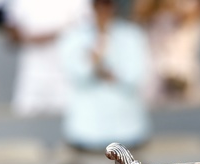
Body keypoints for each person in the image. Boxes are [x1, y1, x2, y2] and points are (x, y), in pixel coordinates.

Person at [58, 0, 151, 152]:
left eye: (107, 4)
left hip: (127, 131)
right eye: (98, 4)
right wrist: (93, 60)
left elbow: (136, 76)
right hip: (86, 132)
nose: (103, 10)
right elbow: (74, 74)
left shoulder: (132, 35)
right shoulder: (73, 36)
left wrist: (106, 72)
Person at [3, 0, 91, 117]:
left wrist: (52, 35)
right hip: (32, 79)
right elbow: (11, 34)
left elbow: (88, 29)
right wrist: (37, 38)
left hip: (67, 80)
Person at [134, 0, 200, 105]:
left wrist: (170, 5)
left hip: (184, 65)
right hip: (153, 65)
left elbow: (192, 15)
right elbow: (139, 14)